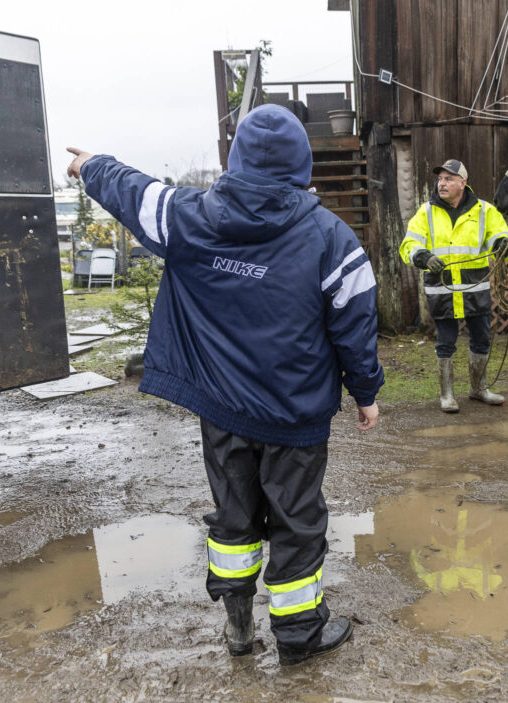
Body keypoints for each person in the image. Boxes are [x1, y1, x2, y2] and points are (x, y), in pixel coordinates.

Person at [65, 104, 384, 666]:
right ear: (302, 163)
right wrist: (366, 393)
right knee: (298, 521)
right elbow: (355, 325)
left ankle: (239, 630)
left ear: (234, 161)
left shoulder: (190, 216)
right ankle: (298, 636)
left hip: (223, 412)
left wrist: (92, 165)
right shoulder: (332, 239)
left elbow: (135, 192)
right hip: (295, 417)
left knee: (233, 517)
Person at [399, 159, 508, 412]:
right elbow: (409, 244)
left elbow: (501, 237)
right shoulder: (426, 212)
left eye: (449, 179)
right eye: (440, 179)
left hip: (476, 289)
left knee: (482, 339)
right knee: (445, 342)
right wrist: (423, 257)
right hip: (443, 291)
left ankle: (479, 389)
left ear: (463, 182)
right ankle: (447, 395)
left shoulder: (485, 211)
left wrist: (502, 246)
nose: (442, 183)